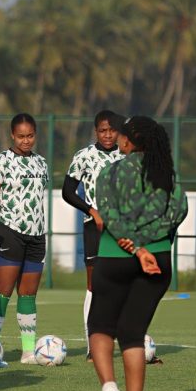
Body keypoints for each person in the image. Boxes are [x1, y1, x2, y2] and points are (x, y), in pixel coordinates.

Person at [91, 116, 187, 391]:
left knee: (100, 327)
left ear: (128, 140)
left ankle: (109, 389)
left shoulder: (111, 171)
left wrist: (134, 243)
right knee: (132, 334)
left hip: (115, 256)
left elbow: (109, 215)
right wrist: (148, 243)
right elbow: (179, 210)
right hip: (158, 261)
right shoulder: (166, 173)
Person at [0, 113, 50, 364]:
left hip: (37, 235)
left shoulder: (42, 163)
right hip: (9, 232)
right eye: (21, 136)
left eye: (30, 135)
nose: (26, 141)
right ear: (12, 135)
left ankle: (28, 352)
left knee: (28, 295)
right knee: (3, 292)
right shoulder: (1, 162)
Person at [63, 110, 123, 361]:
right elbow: (68, 192)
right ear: (95, 131)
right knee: (94, 286)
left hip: (123, 228)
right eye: (102, 130)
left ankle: (129, 339)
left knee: (124, 284)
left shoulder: (128, 155)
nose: (107, 135)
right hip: (94, 228)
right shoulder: (84, 156)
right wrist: (92, 211)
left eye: (111, 130)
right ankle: (92, 346)